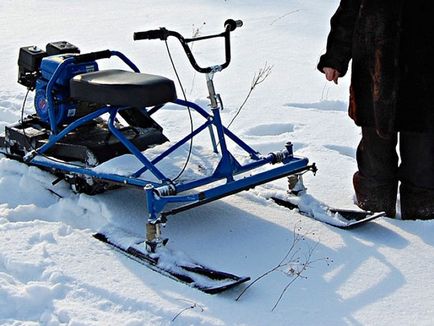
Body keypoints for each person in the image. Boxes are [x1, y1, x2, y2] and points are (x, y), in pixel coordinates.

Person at [317, 0, 434, 219]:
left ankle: (422, 212)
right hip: (374, 76)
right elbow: (348, 12)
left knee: (422, 159)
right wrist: (335, 58)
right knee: (375, 154)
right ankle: (374, 205)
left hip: (423, 81)